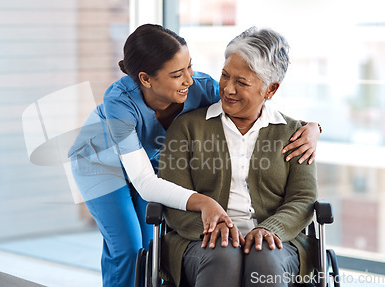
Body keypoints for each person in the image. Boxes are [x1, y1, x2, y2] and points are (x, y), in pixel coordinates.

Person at [67, 24, 320, 287]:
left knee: (149, 248)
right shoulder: (119, 102)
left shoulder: (201, 88)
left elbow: (258, 112)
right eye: (178, 74)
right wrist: (204, 203)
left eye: (190, 66)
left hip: (147, 161)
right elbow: (144, 183)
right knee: (128, 248)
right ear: (146, 79)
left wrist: (312, 128)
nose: (189, 79)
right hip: (100, 164)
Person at [158, 27, 318, 287]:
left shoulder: (295, 135)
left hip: (278, 243)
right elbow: (173, 195)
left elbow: (303, 198)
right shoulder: (187, 127)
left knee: (264, 257)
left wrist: (270, 229)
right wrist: (211, 230)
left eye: (241, 82)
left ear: (270, 90)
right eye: (224, 76)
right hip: (200, 241)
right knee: (223, 254)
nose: (228, 89)